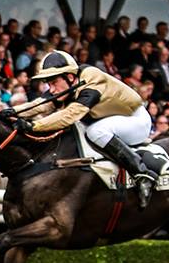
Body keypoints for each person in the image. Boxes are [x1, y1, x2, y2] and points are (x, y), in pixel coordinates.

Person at [25, 49, 157, 207]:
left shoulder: (92, 79)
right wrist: (11, 113)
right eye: (48, 84)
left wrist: (34, 126)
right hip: (112, 120)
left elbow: (69, 116)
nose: (51, 89)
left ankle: (143, 174)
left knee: (95, 131)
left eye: (53, 83)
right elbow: (39, 104)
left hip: (135, 120)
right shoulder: (68, 86)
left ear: (70, 77)